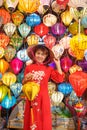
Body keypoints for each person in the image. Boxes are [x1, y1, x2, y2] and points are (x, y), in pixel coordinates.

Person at [22, 44, 65, 130]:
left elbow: (60, 79)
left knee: (43, 119)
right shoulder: (29, 67)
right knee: (32, 118)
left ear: (46, 56)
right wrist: (26, 79)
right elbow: (24, 83)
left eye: (43, 54)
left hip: (43, 98)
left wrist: (58, 64)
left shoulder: (48, 69)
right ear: (34, 54)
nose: (40, 56)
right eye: (38, 53)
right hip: (31, 98)